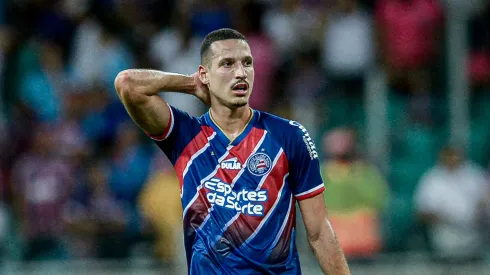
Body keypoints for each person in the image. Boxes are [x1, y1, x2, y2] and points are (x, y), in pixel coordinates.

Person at [114, 28, 350, 274]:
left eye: (247, 63)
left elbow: (320, 232)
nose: (241, 73)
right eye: (227, 64)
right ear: (204, 73)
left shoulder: (288, 136)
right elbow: (127, 84)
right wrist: (190, 83)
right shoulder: (185, 136)